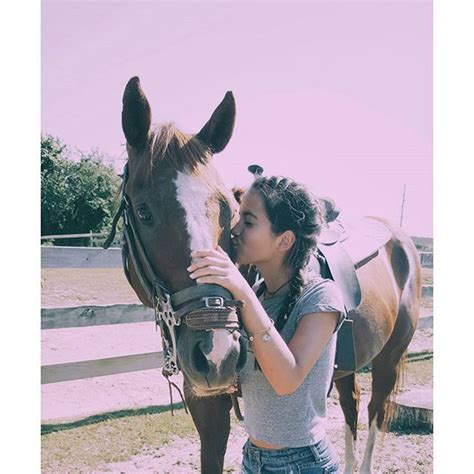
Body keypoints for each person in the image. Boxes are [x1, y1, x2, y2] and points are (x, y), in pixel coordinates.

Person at [187, 175, 345, 473]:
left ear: (284, 240)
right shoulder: (259, 293)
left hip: (303, 464)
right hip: (253, 459)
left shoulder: (321, 296)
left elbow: (286, 380)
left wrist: (241, 289)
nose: (235, 230)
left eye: (248, 222)